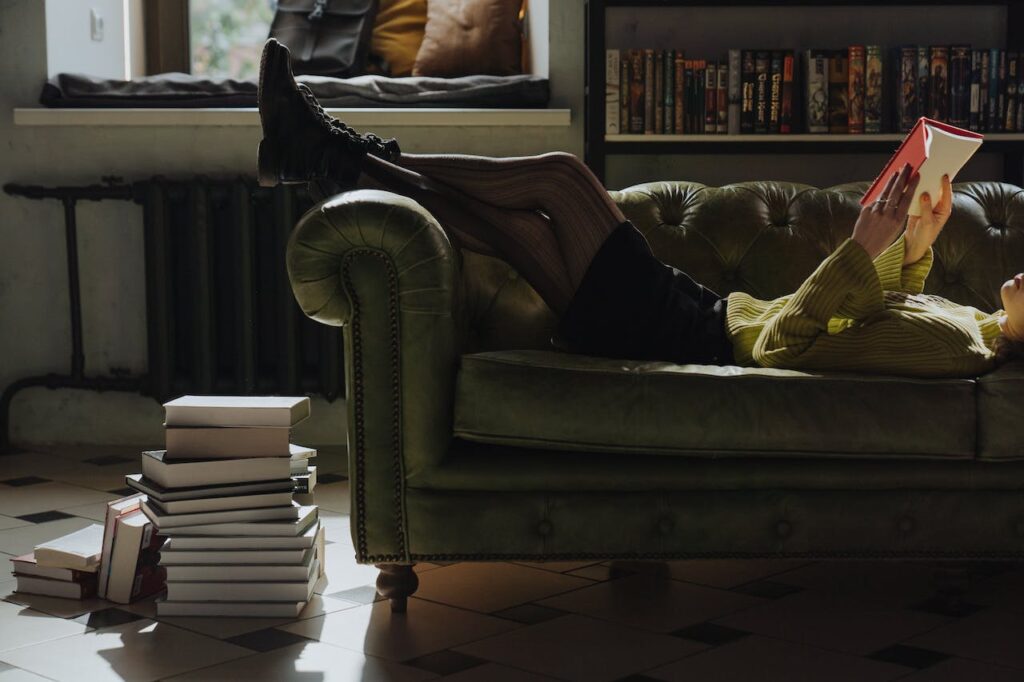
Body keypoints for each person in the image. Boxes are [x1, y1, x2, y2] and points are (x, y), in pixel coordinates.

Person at [257, 39, 1024, 379]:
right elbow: (875, 316)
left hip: (698, 335)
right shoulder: (975, 330)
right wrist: (915, 243)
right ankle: (327, 154)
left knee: (559, 180)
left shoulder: (959, 353)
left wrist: (861, 245)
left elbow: (795, 351)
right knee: (509, 226)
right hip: (698, 318)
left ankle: (333, 149)